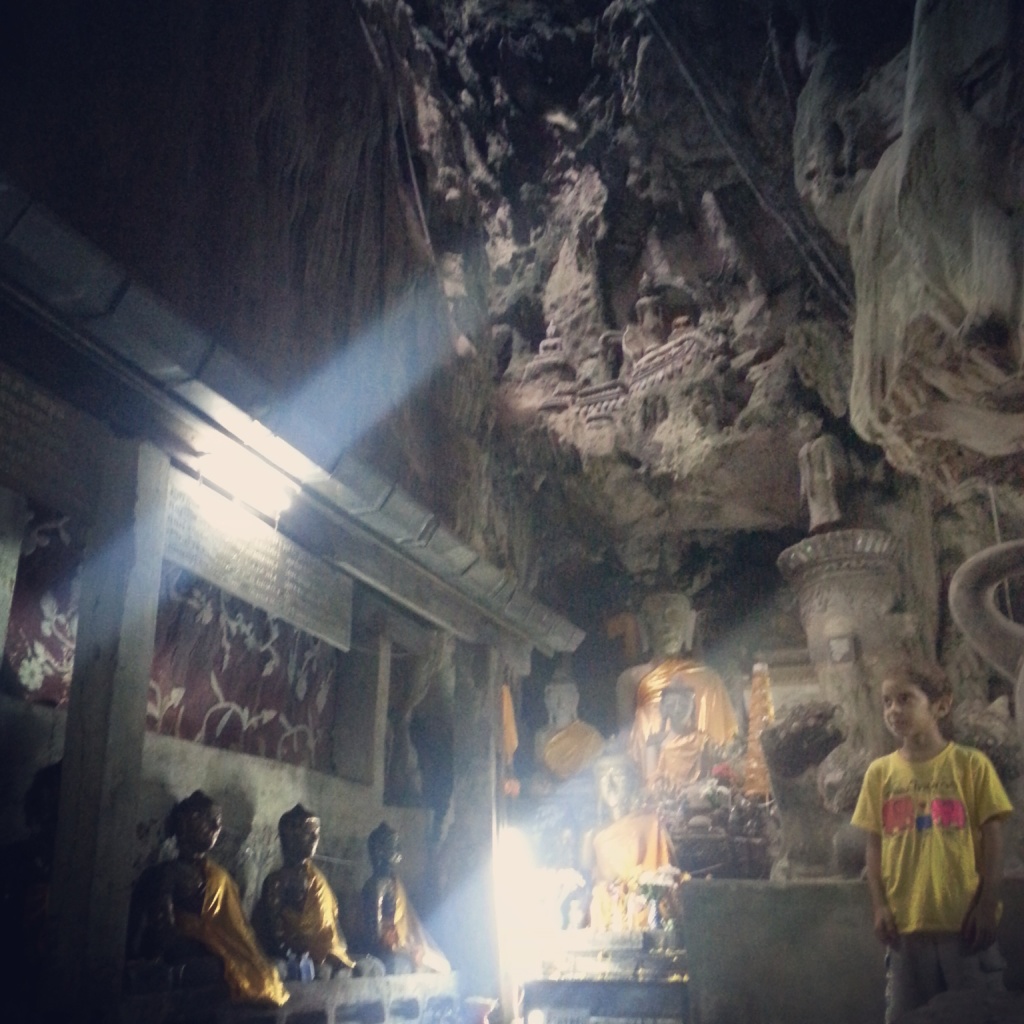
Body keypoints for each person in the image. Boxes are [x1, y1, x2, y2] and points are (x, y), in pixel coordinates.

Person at [851, 662, 1013, 1022]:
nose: (893, 710)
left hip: (964, 927)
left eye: (905, 699)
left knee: (976, 1013)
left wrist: (987, 904)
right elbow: (874, 845)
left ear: (940, 705)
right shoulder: (880, 774)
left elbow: (993, 840)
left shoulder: (971, 766)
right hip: (906, 932)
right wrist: (879, 907)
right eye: (887, 702)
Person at [129, 790, 288, 1005]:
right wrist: (211, 948)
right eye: (208, 820)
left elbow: (239, 930)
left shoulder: (220, 877)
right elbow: (163, 935)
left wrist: (231, 951)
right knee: (215, 969)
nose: (216, 828)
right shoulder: (166, 873)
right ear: (184, 824)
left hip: (213, 953)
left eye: (219, 822)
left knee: (269, 967)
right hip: (185, 957)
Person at [253, 804, 355, 979]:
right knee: (315, 971)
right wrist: (296, 952)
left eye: (317, 832)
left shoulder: (318, 879)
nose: (315, 837)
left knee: (343, 969)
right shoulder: (278, 880)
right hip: (291, 954)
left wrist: (339, 948)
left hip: (323, 951)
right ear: (290, 837)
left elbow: (333, 923)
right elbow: (274, 931)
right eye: (309, 833)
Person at [360, 821, 449, 973]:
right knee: (427, 962)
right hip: (386, 948)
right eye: (394, 846)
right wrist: (400, 950)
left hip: (398, 943)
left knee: (439, 962)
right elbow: (376, 931)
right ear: (379, 850)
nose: (399, 851)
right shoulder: (379, 885)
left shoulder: (393, 882)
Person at [534, 667, 605, 783]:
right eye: (556, 698)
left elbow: (597, 771)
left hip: (581, 792)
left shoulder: (590, 736)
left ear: (575, 700)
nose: (560, 704)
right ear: (547, 702)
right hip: (552, 793)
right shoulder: (541, 736)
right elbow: (540, 771)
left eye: (565, 698)